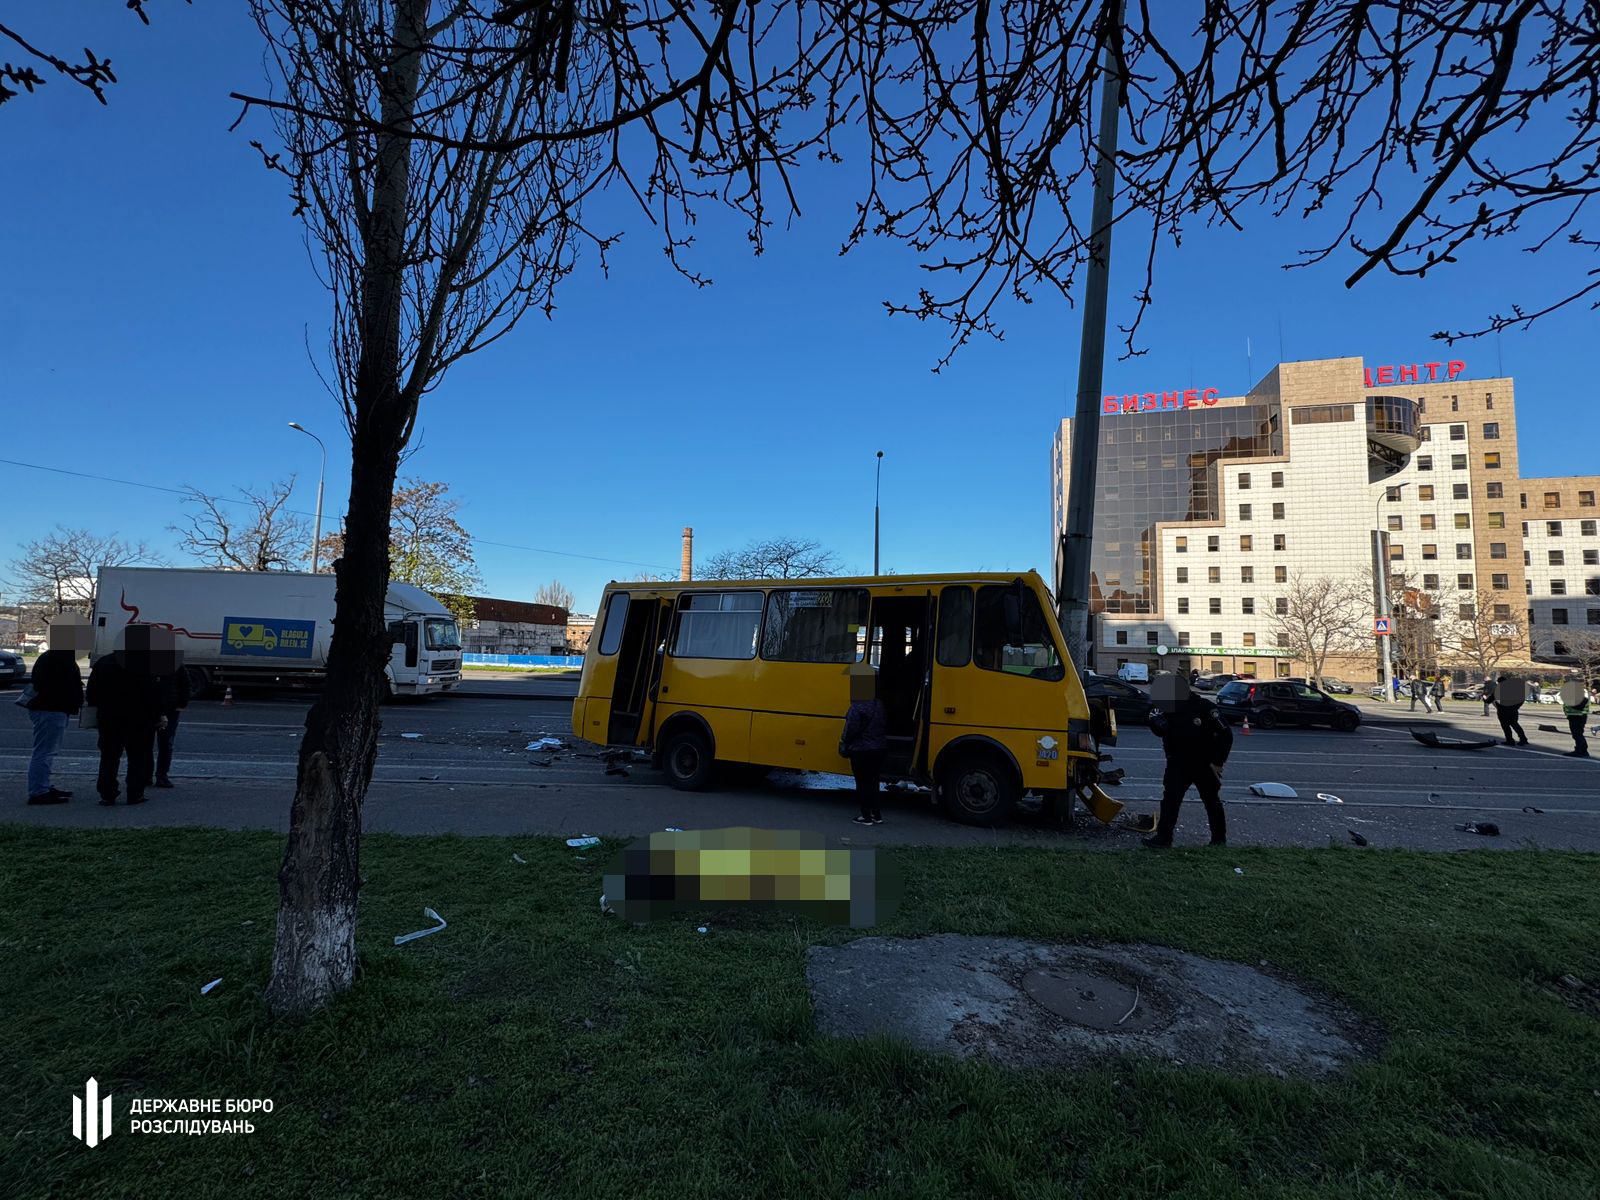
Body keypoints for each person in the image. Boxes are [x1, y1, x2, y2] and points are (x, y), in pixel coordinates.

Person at [1143, 672, 1233, 848]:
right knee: (1170, 800)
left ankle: (1219, 839)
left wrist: (1218, 762)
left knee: (1211, 800)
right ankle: (1163, 838)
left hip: (1203, 762)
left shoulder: (1204, 707)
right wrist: (1155, 722)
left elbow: (1226, 734)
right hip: (1177, 762)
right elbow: (1153, 719)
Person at [85, 625, 169, 806]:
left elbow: (92, 692)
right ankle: (135, 793)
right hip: (139, 720)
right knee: (138, 757)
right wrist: (159, 716)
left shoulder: (104, 662)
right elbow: (154, 694)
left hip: (109, 718)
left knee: (109, 757)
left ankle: (107, 793)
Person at [23, 616, 89, 804]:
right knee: (45, 752)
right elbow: (55, 685)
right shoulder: (59, 658)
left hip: (50, 708)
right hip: (51, 709)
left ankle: (42, 786)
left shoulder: (53, 657)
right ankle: (38, 791)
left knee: (46, 751)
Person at [839, 664, 887, 825]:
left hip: (862, 749)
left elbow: (851, 729)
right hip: (879, 748)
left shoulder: (857, 706)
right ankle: (876, 814)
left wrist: (844, 742)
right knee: (874, 782)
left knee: (862, 783)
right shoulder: (879, 704)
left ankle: (865, 816)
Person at [153, 660, 191, 787]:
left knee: (146, 745)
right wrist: (181, 704)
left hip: (152, 708)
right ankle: (161, 776)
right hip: (170, 709)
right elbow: (186, 684)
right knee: (166, 744)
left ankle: (147, 775)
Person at [1493, 674, 1529, 747]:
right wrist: (1516, 707)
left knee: (1506, 726)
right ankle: (1523, 739)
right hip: (1513, 710)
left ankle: (1510, 740)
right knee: (1515, 724)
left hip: (1503, 711)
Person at [1560, 679, 1591, 758]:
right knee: (1577, 734)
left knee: (1577, 735)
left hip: (1578, 717)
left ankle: (1580, 751)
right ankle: (1582, 750)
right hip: (1575, 716)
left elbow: (1579, 706)